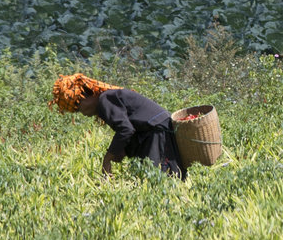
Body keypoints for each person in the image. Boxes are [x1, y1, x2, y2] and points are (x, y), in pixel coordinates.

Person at [53, 73, 187, 178]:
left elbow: (126, 130)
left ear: (86, 96)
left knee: (158, 178)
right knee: (162, 176)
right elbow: (131, 128)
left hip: (157, 131)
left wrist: (108, 158)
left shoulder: (104, 100)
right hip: (157, 128)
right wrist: (123, 150)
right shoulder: (107, 99)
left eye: (78, 108)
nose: (81, 113)